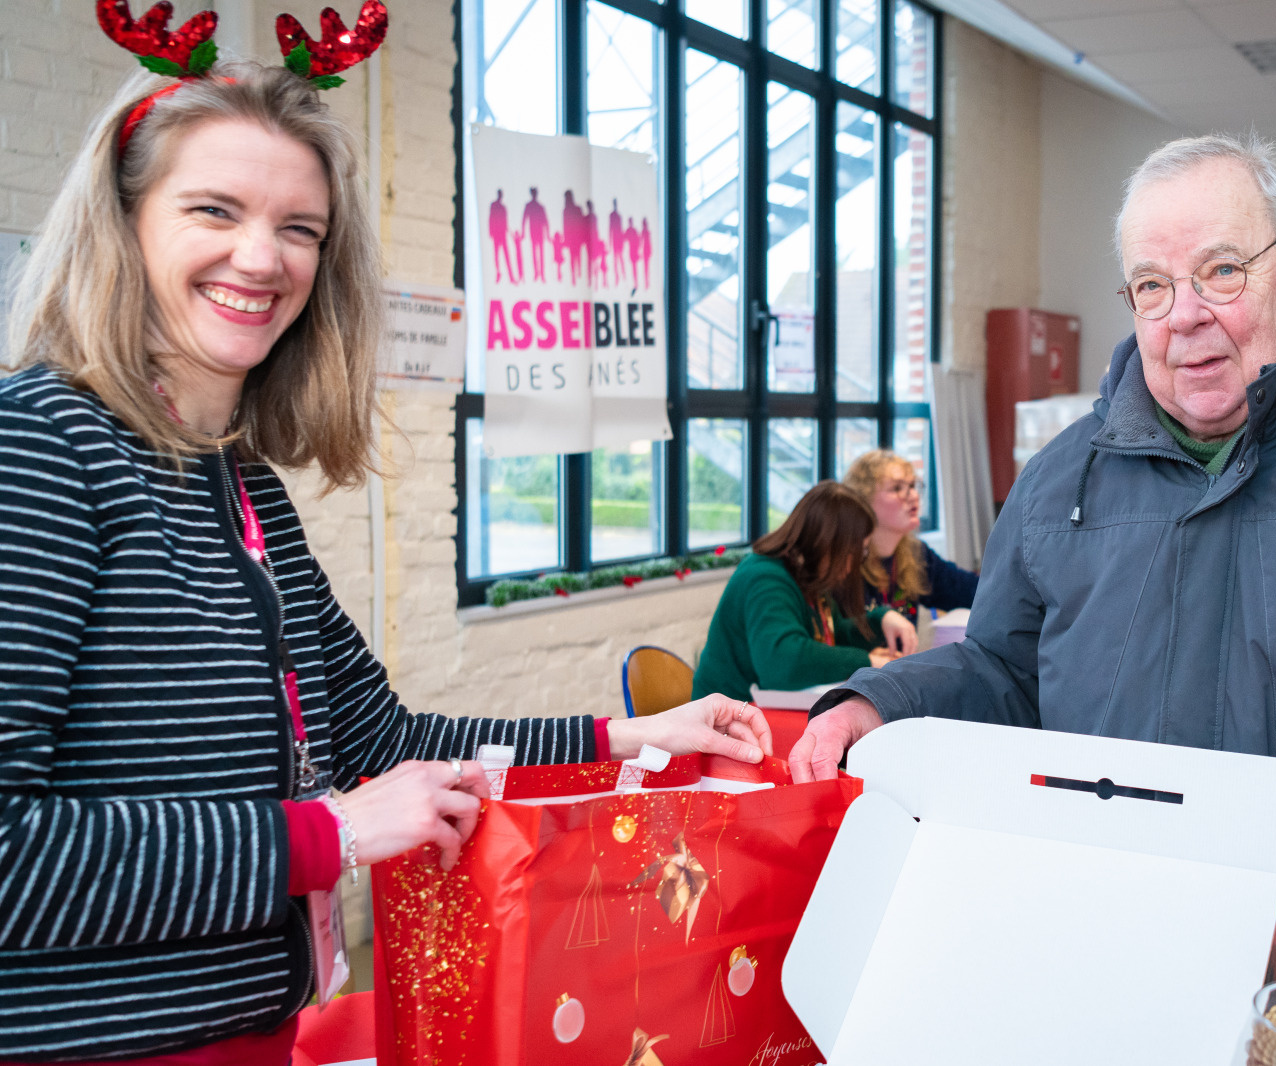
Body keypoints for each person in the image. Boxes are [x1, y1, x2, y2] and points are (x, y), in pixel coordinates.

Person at [0, 56, 772, 1063]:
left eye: (298, 229)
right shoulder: (41, 449)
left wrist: (631, 733)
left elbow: (387, 738)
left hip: (254, 1031)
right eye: (213, 211)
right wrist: (332, 835)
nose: (261, 257)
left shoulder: (241, 490)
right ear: (126, 224)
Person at [789, 132, 1276, 1045]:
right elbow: (1009, 674)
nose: (1184, 315)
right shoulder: (1064, 481)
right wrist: (882, 702)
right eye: (1152, 285)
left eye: (1221, 270)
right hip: (1100, 951)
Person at [691, 480, 917, 701]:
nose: (857, 562)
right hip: (724, 719)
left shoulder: (808, 571)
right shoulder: (765, 577)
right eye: (858, 551)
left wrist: (881, 620)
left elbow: (834, 636)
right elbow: (782, 662)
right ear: (830, 546)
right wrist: (865, 660)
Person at [842, 449, 978, 626]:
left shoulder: (915, 553)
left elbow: (970, 591)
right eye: (897, 488)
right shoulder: (843, 561)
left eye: (913, 486)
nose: (913, 496)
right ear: (863, 500)